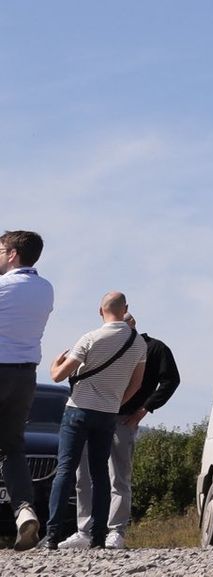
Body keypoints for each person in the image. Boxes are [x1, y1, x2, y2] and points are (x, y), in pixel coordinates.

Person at [46, 292, 146, 550]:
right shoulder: (138, 343)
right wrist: (115, 402)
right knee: (101, 474)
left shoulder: (90, 338)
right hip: (107, 413)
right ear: (125, 308)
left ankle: (52, 535)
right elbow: (137, 384)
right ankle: (99, 537)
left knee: (66, 471)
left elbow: (58, 376)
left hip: (78, 410)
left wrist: (54, 364)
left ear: (100, 311)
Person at [75, 313, 179, 550]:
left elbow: (171, 379)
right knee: (84, 476)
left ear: (133, 325)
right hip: (93, 414)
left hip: (124, 419)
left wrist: (145, 409)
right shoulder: (100, 343)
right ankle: (84, 531)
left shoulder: (154, 348)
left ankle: (116, 531)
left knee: (119, 477)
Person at [0, 231, 54, 551]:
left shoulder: (4, 287)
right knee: (12, 447)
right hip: (24, 377)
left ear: (12, 254)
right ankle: (24, 510)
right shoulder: (45, 289)